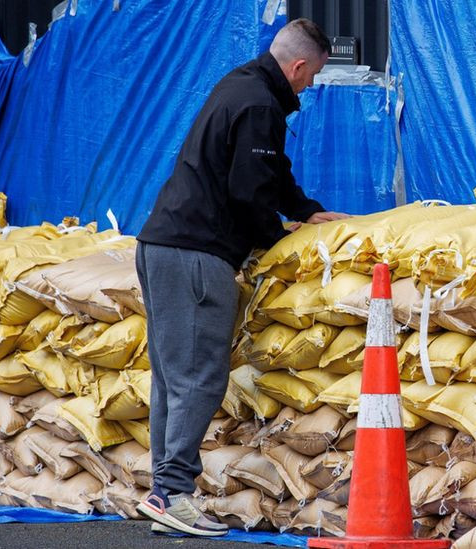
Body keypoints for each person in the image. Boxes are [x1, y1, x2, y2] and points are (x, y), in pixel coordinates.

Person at [134, 18, 348, 536]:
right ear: (297, 67)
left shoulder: (241, 85)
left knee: (170, 380)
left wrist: (304, 208)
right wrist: (279, 243)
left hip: (160, 246)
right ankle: (172, 494)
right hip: (196, 257)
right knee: (198, 380)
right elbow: (249, 190)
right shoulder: (258, 104)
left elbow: (269, 173)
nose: (311, 85)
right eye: (313, 75)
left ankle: (166, 493)